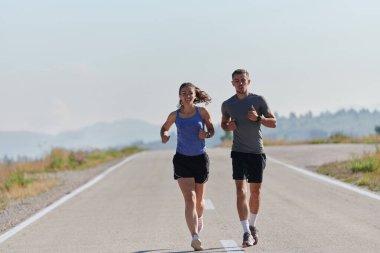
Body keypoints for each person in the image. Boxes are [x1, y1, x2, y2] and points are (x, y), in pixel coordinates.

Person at [221, 69, 277, 248]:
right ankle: (245, 231)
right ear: (232, 83)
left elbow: (273, 122)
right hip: (238, 152)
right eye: (236, 80)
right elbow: (224, 124)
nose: (240, 83)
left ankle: (252, 226)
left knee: (255, 192)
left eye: (243, 80)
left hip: (256, 152)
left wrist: (258, 118)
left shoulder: (258, 100)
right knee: (240, 191)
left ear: (248, 82)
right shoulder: (227, 104)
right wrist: (229, 126)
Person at [160, 82, 214, 251]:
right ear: (180, 96)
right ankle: (195, 237)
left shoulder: (202, 112)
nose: (187, 96)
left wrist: (207, 134)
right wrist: (165, 135)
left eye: (190, 93)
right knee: (189, 198)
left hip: (200, 159)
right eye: (184, 93)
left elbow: (212, 129)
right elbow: (164, 128)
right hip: (182, 159)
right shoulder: (174, 115)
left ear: (195, 95)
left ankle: (199, 218)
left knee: (199, 202)